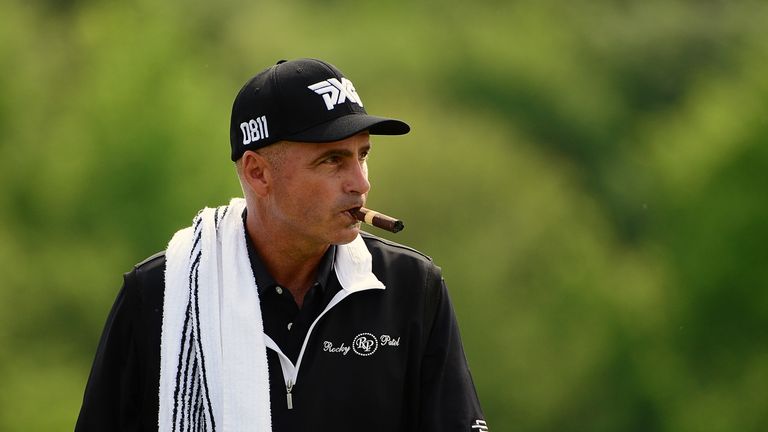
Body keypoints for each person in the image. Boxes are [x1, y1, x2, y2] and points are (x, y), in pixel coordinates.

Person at [75, 58, 487, 432]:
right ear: (258, 173)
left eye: (362, 155)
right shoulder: (160, 293)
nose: (361, 183)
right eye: (332, 160)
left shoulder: (413, 286)